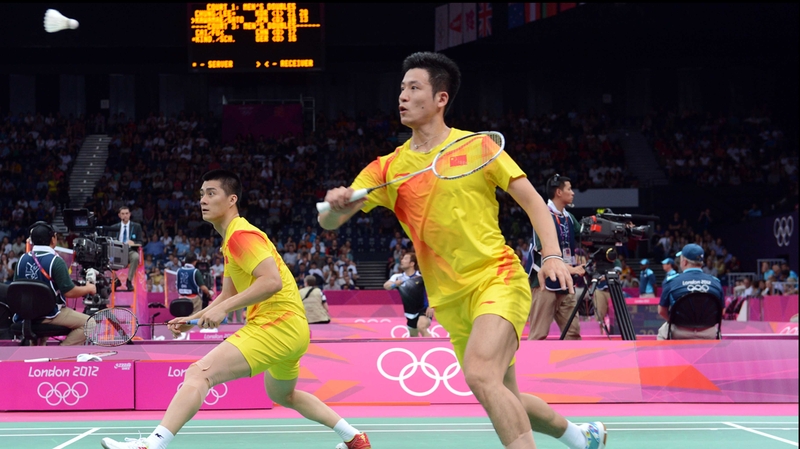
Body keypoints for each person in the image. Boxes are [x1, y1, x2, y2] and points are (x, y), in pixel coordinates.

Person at [319, 52, 605, 449]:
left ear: (440, 98)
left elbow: (534, 201)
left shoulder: (478, 147)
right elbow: (330, 223)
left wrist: (552, 255)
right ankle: (582, 436)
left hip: (496, 278)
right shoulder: (387, 169)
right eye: (401, 88)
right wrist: (338, 206)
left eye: (414, 87)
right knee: (503, 394)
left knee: (481, 375)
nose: (402, 95)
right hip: (450, 298)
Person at [101, 170, 371, 449]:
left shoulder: (242, 235)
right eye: (201, 194)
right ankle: (354, 438)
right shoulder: (230, 240)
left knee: (199, 373)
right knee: (284, 395)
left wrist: (224, 310)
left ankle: (151, 445)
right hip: (292, 331)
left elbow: (271, 281)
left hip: (275, 324)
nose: (202, 200)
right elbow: (229, 294)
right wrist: (192, 320)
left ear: (232, 199)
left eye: (211, 193)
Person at [13, 221, 96, 346]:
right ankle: (59, 353)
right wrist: (89, 288)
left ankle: (36, 355)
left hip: (26, 315)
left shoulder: (21, 260)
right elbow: (70, 292)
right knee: (90, 323)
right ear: (53, 239)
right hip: (50, 315)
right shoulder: (56, 261)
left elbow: (16, 289)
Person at [527, 174, 584, 341]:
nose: (573, 193)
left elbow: (585, 236)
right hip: (545, 284)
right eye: (569, 189)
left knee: (573, 335)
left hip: (566, 283)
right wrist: (573, 269)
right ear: (559, 192)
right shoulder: (542, 215)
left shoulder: (569, 217)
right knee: (538, 335)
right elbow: (545, 252)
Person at [657, 243, 724, 340]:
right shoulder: (716, 283)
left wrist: (675, 321)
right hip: (708, 333)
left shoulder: (672, 282)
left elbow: (661, 311)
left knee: (662, 333)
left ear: (684, 262)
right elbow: (722, 311)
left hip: (680, 332)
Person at [384, 252, 432, 337]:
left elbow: (433, 290)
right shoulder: (397, 277)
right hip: (410, 313)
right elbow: (386, 286)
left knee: (421, 327)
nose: (402, 260)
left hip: (423, 309)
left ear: (412, 264)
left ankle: (433, 347)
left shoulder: (421, 276)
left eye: (405, 259)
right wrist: (395, 284)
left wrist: (431, 306)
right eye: (402, 258)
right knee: (413, 337)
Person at [106, 205, 144, 291]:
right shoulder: (114, 227)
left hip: (130, 251)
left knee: (135, 257)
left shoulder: (136, 226)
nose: (125, 215)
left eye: (127, 213)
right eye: (123, 214)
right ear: (119, 215)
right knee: (105, 258)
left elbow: (141, 242)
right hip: (117, 251)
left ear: (130, 214)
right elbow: (109, 241)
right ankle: (116, 280)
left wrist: (134, 243)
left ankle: (129, 281)